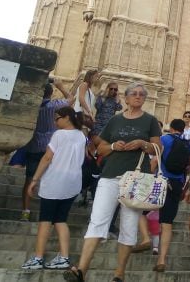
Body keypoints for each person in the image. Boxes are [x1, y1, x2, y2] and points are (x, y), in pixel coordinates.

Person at [63, 82, 161, 282]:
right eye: (133, 93)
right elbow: (101, 147)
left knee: (129, 226)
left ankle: (119, 274)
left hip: (135, 181)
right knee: (97, 221)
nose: (137, 96)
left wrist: (144, 144)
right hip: (109, 176)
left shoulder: (150, 121)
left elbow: (157, 149)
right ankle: (81, 269)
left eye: (141, 94)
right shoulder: (115, 121)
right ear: (125, 98)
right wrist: (115, 145)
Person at [21, 106, 87, 271]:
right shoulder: (82, 136)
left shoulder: (59, 135)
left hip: (56, 181)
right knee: (60, 219)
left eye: (57, 118)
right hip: (72, 183)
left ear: (67, 118)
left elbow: (47, 157)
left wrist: (34, 180)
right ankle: (64, 258)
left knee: (45, 220)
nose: (55, 121)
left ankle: (38, 257)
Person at [22, 78, 73, 221]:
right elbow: (70, 99)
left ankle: (25, 211)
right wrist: (61, 86)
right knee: (50, 180)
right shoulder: (54, 106)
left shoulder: (33, 106)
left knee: (29, 179)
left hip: (33, 146)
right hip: (50, 148)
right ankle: (48, 213)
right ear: (51, 94)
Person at [154, 118, 190, 272]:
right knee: (167, 222)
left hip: (159, 181)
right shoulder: (187, 144)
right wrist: (186, 178)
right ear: (183, 130)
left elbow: (155, 159)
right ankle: (162, 260)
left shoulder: (164, 139)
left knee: (140, 211)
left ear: (171, 128)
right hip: (176, 184)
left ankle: (146, 238)